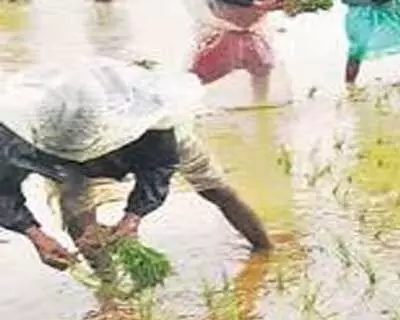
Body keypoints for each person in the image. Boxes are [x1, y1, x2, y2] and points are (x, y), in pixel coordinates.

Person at [0, 58, 272, 271]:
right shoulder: (22, 133)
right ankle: (110, 293)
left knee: (217, 189)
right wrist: (35, 236)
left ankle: (266, 250)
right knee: (79, 218)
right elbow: (3, 189)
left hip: (144, 139)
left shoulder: (153, 118)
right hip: (66, 163)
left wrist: (133, 218)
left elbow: (158, 169)